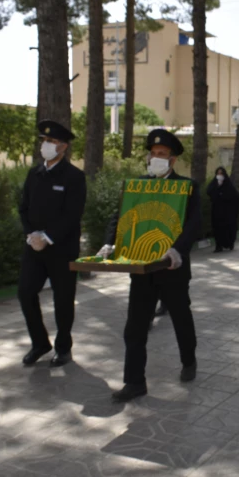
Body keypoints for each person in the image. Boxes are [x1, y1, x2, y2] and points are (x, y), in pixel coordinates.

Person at [98, 129, 202, 402]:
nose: (156, 158)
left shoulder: (187, 186)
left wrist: (177, 250)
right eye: (153, 153)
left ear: (173, 160)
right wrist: (111, 243)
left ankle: (189, 360)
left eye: (163, 154)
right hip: (142, 269)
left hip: (172, 268)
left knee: (180, 316)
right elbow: (120, 217)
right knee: (135, 326)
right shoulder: (138, 186)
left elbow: (193, 224)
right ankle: (134, 382)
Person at [18, 120, 87, 368]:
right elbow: (23, 208)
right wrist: (31, 236)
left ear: (64, 147)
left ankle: (63, 347)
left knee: (63, 299)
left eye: (52, 141)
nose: (46, 145)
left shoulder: (74, 177)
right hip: (33, 247)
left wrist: (46, 237)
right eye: (44, 141)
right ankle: (40, 343)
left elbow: (72, 215)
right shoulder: (34, 173)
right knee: (25, 293)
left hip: (61, 248)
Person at [207, 166, 239, 252]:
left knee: (228, 227)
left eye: (221, 173)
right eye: (218, 173)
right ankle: (218, 246)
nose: (219, 175)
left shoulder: (228, 184)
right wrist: (217, 188)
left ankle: (230, 243)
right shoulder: (214, 183)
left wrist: (223, 195)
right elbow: (209, 192)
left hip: (227, 212)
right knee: (217, 228)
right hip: (217, 211)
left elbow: (234, 195)